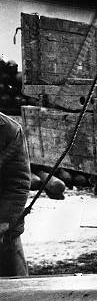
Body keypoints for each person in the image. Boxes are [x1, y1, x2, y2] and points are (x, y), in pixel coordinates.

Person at [0, 111, 30, 276]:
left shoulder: (10, 131)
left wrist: (3, 223)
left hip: (5, 231)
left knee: (18, 293)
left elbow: (18, 184)